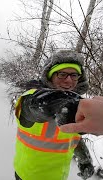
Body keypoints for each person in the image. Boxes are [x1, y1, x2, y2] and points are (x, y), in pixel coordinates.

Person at [13, 50, 94, 180]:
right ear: (50, 76)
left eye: (74, 75)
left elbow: (73, 138)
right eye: (62, 74)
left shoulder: (77, 103)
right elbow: (36, 106)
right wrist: (66, 103)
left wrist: (85, 160)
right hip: (29, 176)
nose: (69, 80)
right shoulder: (29, 97)